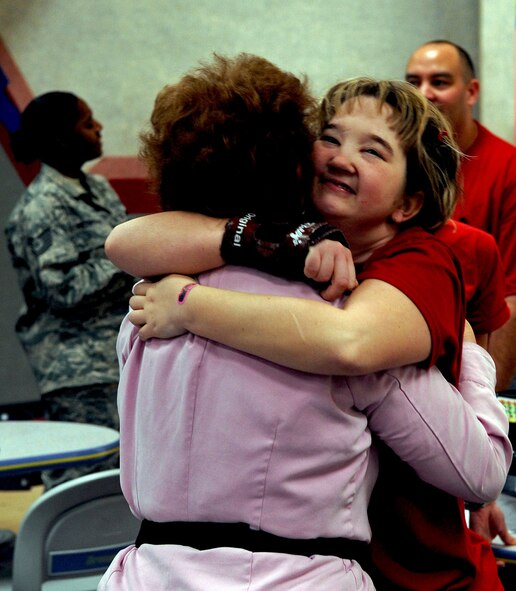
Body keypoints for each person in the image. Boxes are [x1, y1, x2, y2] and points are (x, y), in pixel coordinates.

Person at [105, 72, 512, 590]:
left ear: (408, 204)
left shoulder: (153, 306)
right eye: (331, 137)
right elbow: (122, 240)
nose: (343, 157)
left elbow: (350, 343)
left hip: (155, 574)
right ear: (298, 161)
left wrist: (188, 303)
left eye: (374, 151)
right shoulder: (302, 285)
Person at [4, 91, 135, 489]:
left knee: (126, 479)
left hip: (116, 358)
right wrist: (125, 256)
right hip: (78, 372)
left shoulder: (98, 188)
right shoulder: (40, 207)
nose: (98, 128)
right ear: (60, 136)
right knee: (86, 485)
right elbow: (61, 290)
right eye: (86, 122)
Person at [405, 40, 516, 392]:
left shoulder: (508, 169)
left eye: (439, 82)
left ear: (471, 92)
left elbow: (512, 299)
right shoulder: (397, 166)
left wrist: (486, 401)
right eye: (413, 82)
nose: (424, 94)